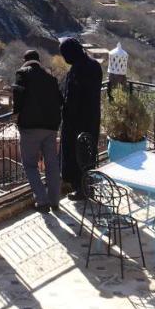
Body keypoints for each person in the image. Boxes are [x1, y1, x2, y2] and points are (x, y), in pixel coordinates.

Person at [12, 49, 63, 211]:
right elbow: (60, 100)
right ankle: (55, 201)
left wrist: (17, 115)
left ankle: (42, 201)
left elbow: (18, 97)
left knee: (30, 165)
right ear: (38, 61)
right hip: (51, 127)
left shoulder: (22, 74)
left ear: (25, 61)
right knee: (52, 164)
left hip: (30, 127)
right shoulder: (51, 78)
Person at [59, 37, 103, 199]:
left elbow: (72, 99)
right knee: (88, 152)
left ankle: (81, 189)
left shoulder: (77, 70)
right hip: (92, 117)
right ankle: (88, 185)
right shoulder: (95, 65)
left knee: (75, 153)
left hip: (76, 121)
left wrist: (65, 113)